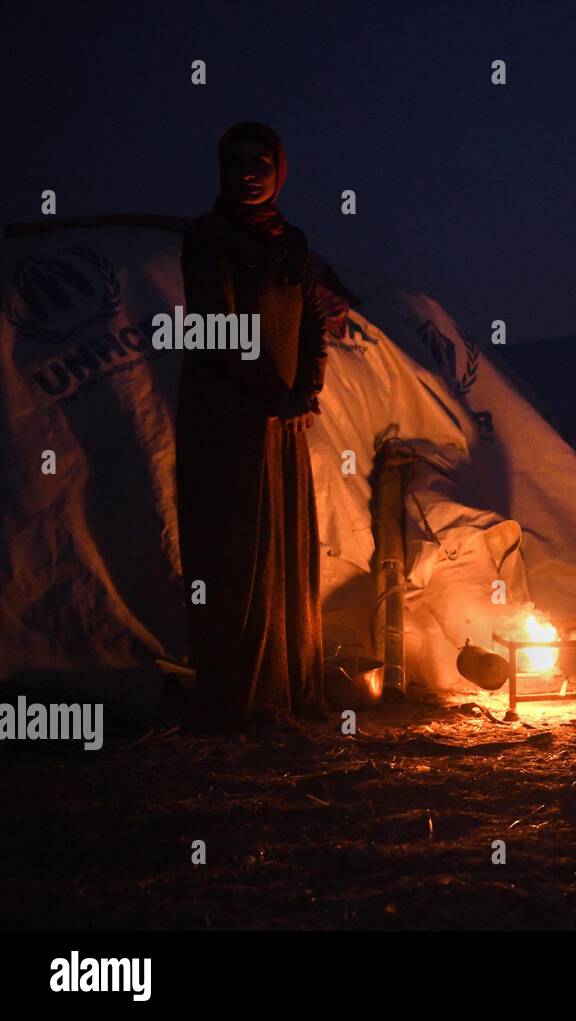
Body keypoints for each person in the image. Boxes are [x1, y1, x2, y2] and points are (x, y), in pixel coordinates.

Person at [176, 121, 329, 731]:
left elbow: (312, 319)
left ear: (279, 168)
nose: (248, 171)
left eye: (260, 160)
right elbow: (220, 324)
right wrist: (274, 393)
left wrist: (305, 391)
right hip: (228, 416)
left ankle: (290, 689)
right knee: (240, 553)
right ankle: (247, 698)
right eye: (235, 161)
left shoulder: (291, 243)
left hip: (284, 416)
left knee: (287, 546)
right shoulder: (209, 238)